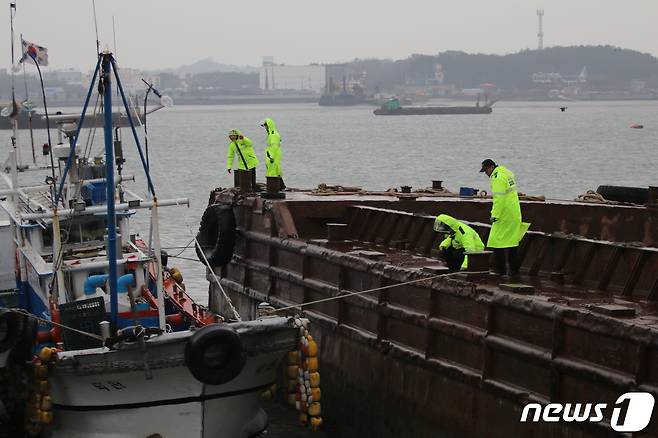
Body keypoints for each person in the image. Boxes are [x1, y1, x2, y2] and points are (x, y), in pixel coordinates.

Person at [480, 159, 530, 276]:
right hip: (513, 213)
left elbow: (499, 199)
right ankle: (514, 271)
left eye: (486, 170)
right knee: (512, 243)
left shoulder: (497, 177)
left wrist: (494, 215)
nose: (486, 173)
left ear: (491, 167)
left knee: (497, 243)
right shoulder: (505, 173)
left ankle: (501, 271)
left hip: (504, 214)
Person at [261, 118, 285, 189]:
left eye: (266, 125)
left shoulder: (273, 134)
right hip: (272, 154)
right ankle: (281, 186)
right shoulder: (271, 134)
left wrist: (271, 156)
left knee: (273, 170)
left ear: (269, 125)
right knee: (274, 170)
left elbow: (274, 146)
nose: (265, 127)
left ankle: (275, 187)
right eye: (264, 126)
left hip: (273, 155)